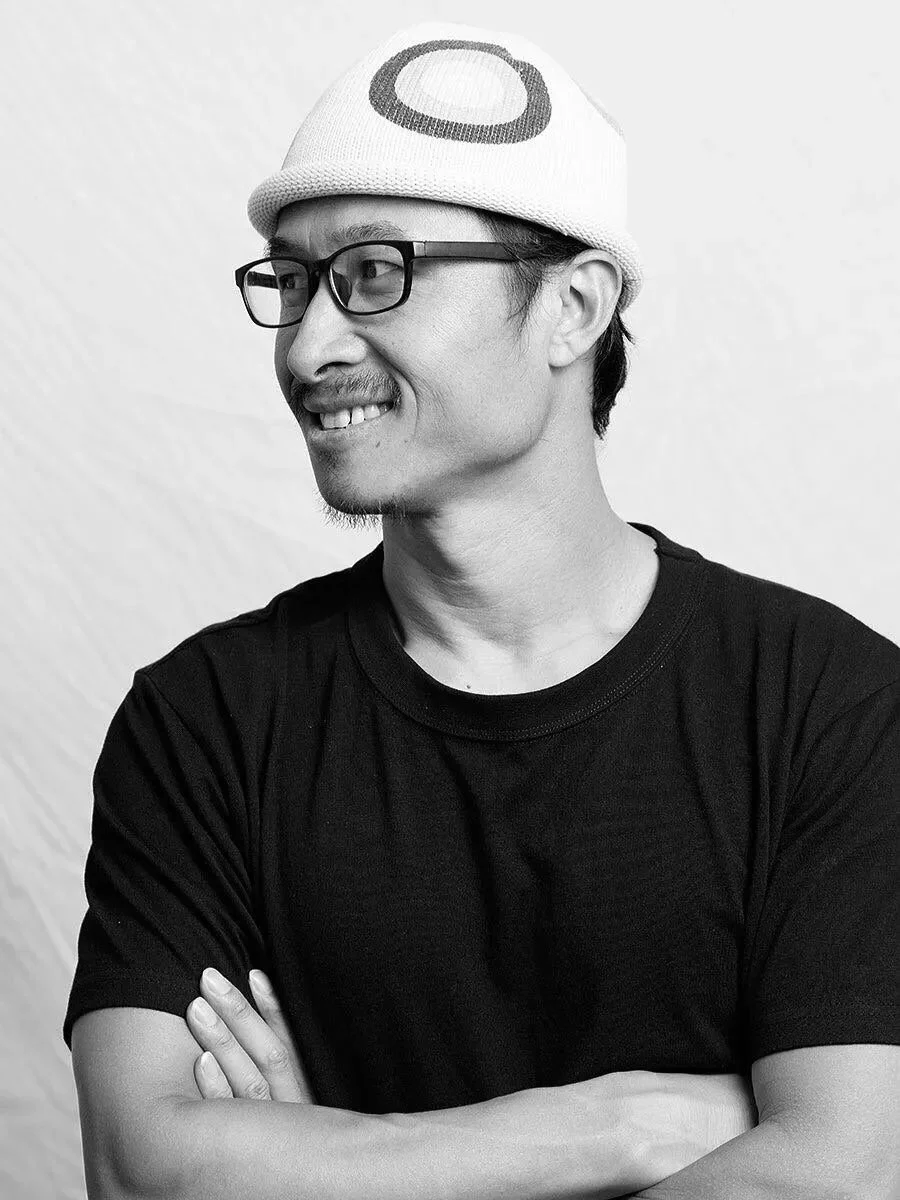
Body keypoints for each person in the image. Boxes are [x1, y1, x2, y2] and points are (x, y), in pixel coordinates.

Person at [64, 21, 899, 1200]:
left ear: (574, 307)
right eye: (291, 281)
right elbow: (142, 1170)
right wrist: (620, 1127)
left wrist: (338, 1169)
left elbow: (850, 1172)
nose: (308, 346)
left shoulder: (829, 707)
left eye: (376, 272)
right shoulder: (206, 722)